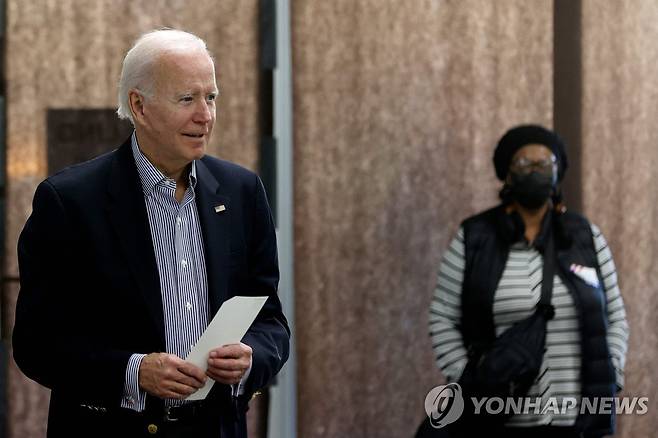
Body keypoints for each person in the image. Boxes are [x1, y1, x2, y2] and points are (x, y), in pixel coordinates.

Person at [12, 29, 289, 438]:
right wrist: (134, 372)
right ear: (139, 106)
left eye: (210, 97)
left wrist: (252, 359)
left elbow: (271, 322)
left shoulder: (242, 191)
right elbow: (37, 345)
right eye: (187, 99)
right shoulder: (69, 202)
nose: (205, 115)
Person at [428, 125, 629, 437]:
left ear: (557, 172)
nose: (535, 170)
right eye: (524, 163)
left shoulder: (584, 236)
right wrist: (465, 376)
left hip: (579, 417)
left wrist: (612, 369)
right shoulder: (475, 237)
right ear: (507, 173)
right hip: (498, 417)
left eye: (544, 163)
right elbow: (442, 315)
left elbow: (614, 314)